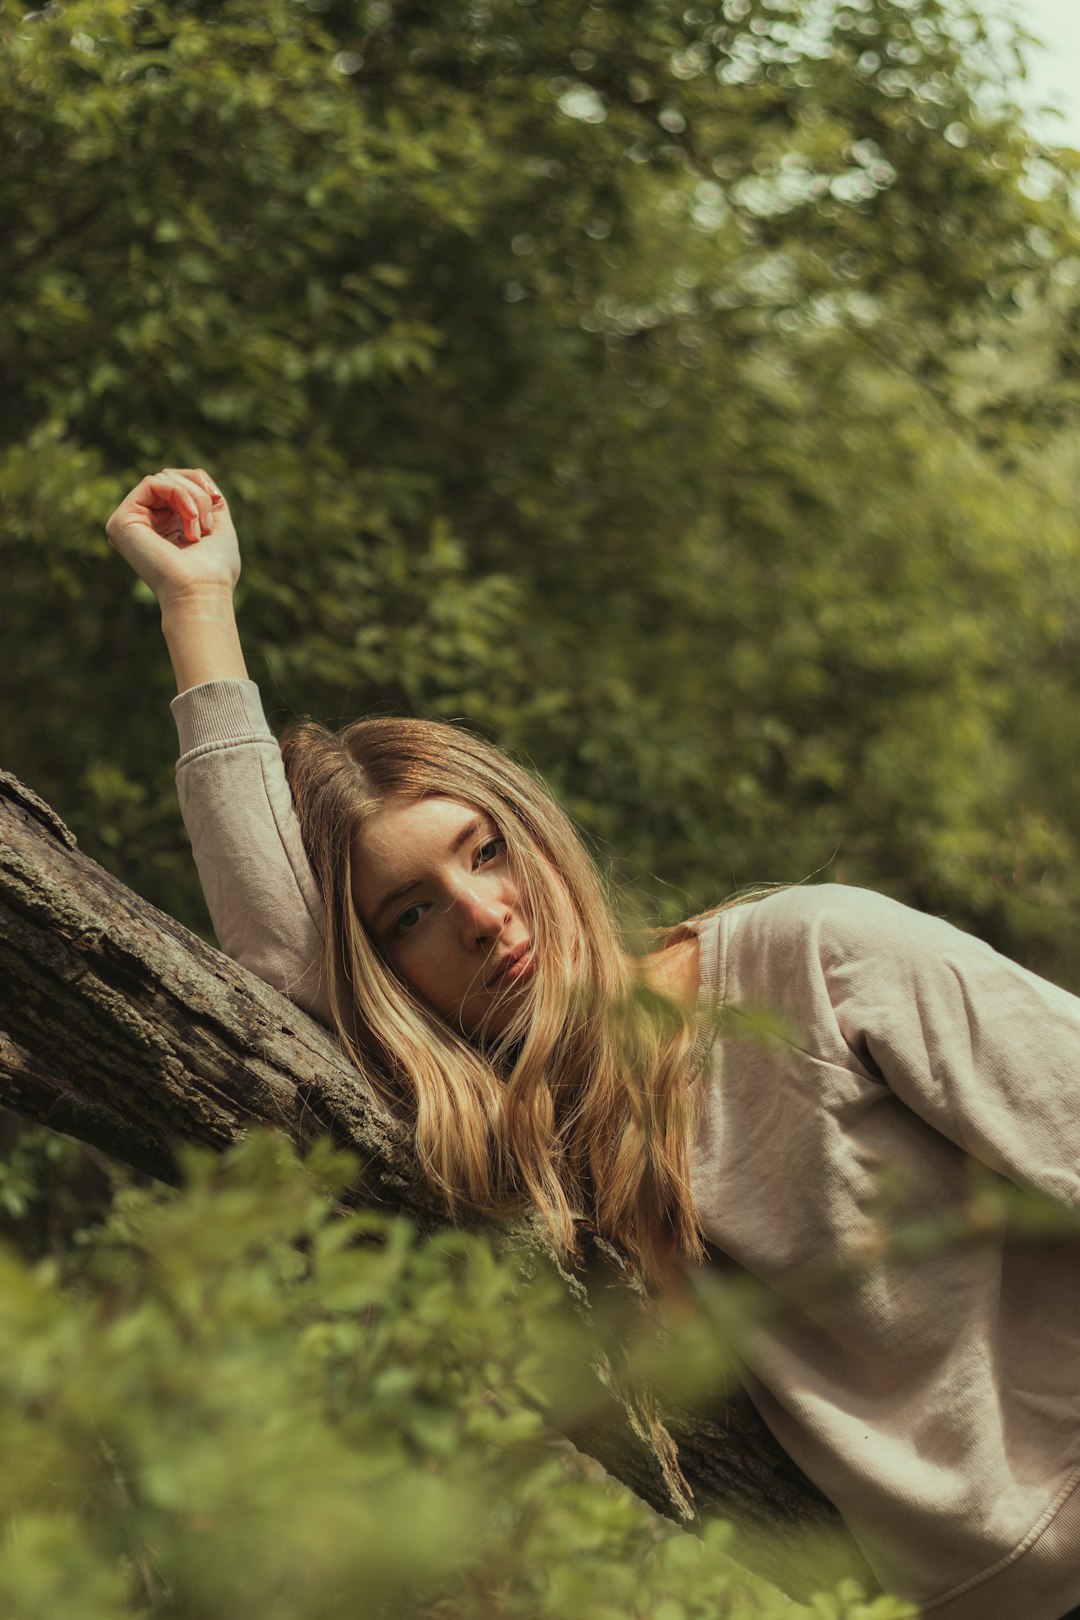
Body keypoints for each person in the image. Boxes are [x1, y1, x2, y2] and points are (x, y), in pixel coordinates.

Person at [106, 467, 1080, 1620]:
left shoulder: (817, 960)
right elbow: (282, 977)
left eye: (485, 851)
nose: (479, 915)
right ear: (384, 974)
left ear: (538, 838)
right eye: (408, 916)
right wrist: (197, 608)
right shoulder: (532, 1158)